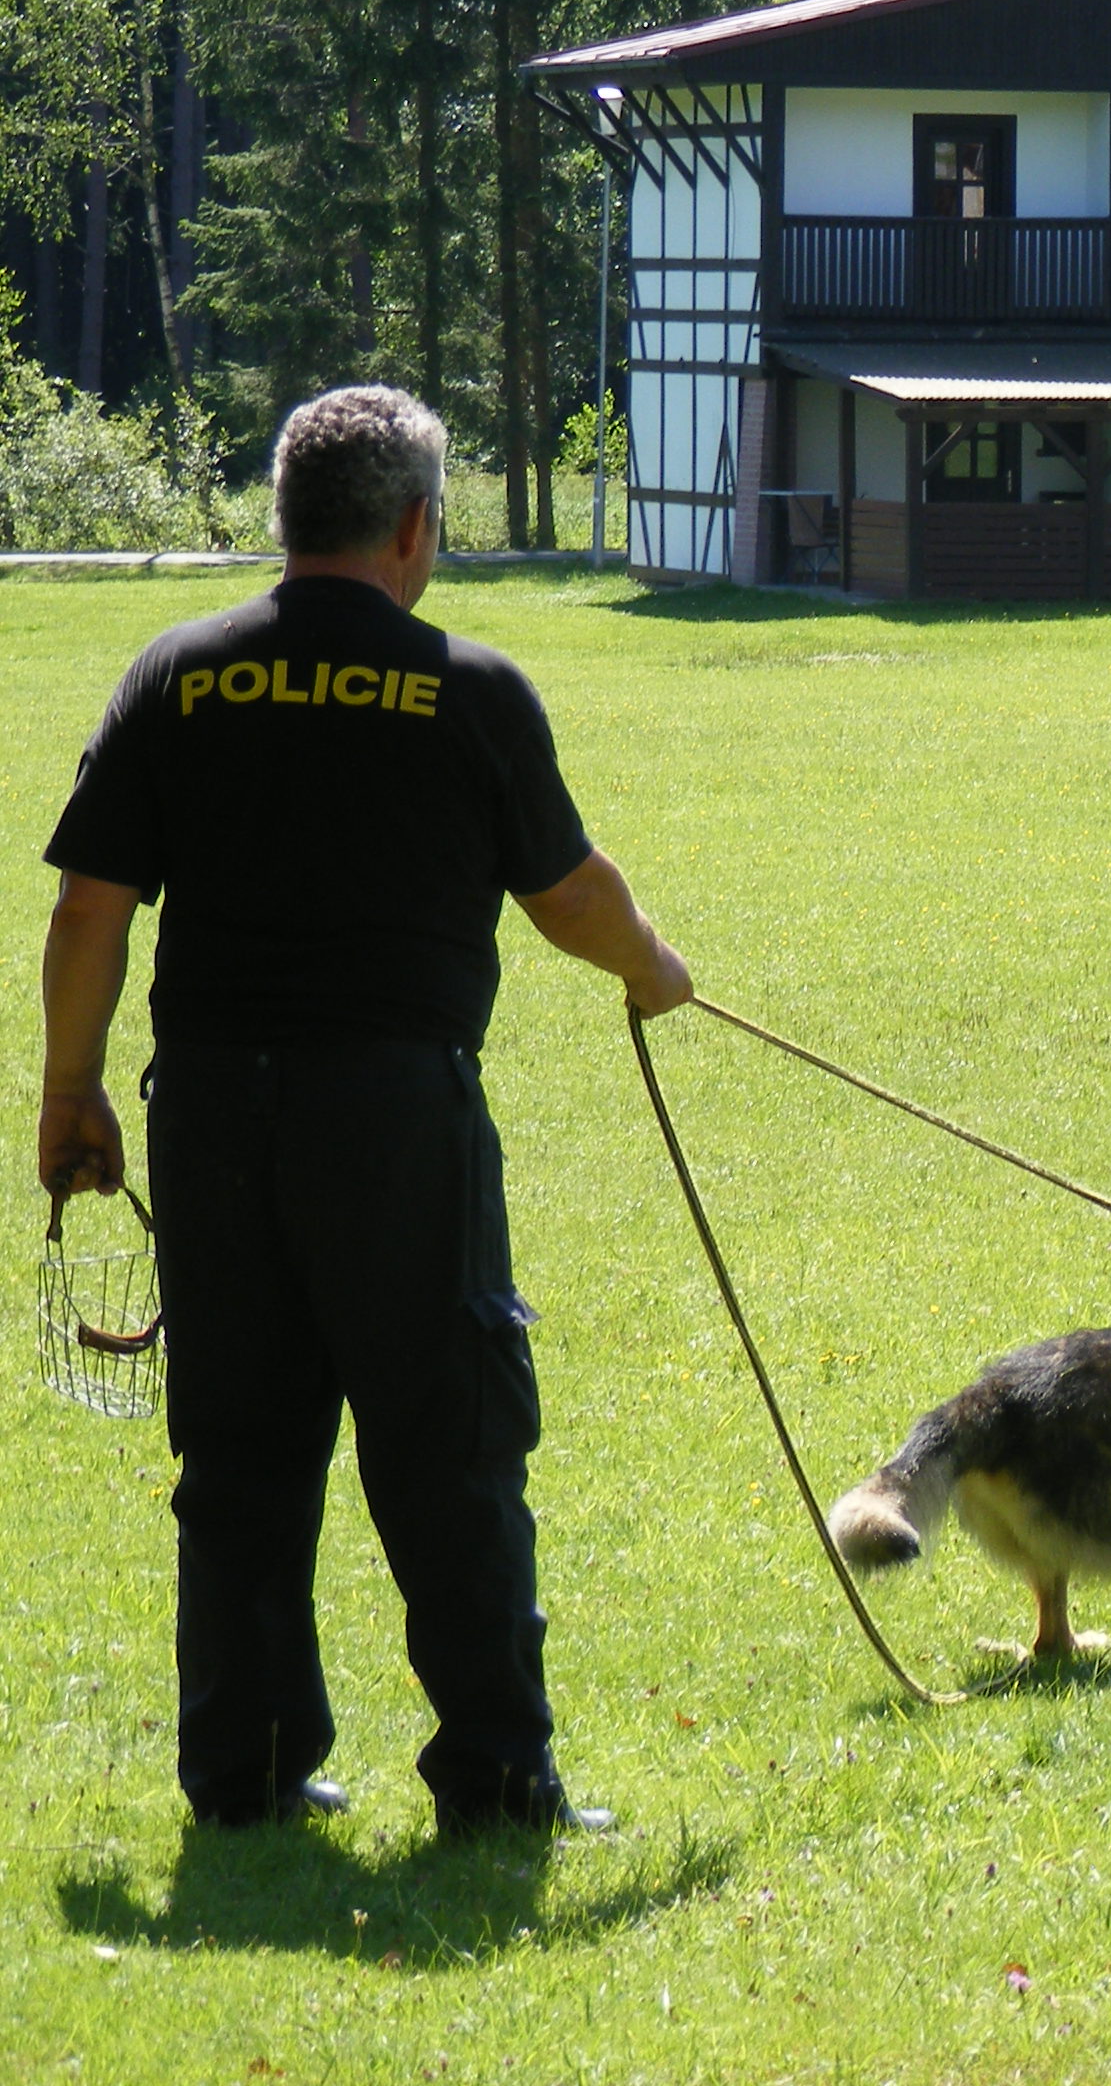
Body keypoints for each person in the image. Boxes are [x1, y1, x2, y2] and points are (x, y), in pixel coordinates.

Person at [34, 385, 693, 1834]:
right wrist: (654, 972)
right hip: (394, 1122)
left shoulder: (176, 673)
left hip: (209, 1112)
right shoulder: (468, 688)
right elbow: (566, 893)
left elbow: (92, 909)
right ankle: (497, 1777)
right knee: (451, 1446)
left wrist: (70, 1092)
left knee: (241, 1453)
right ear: (413, 529)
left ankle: (249, 1771)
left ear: (287, 524)